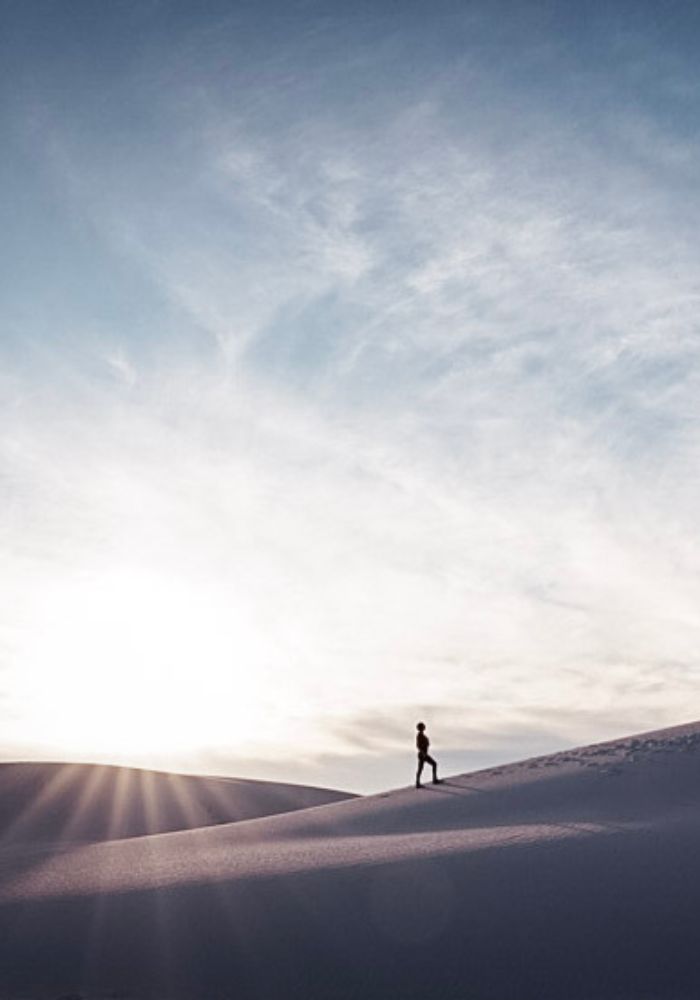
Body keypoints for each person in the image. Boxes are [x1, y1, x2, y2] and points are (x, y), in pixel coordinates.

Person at [415, 721, 440, 788]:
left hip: (423, 754)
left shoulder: (422, 735)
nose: (424, 727)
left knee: (421, 768)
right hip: (422, 754)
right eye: (423, 726)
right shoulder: (419, 735)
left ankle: (418, 783)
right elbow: (418, 746)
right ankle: (433, 780)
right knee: (432, 764)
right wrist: (423, 753)